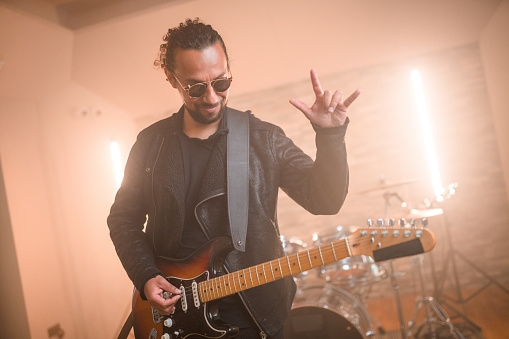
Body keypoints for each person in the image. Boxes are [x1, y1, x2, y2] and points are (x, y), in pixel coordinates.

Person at [107, 18, 360, 339]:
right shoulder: (150, 144)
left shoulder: (263, 138)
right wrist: (146, 275)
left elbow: (324, 200)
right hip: (173, 317)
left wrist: (330, 137)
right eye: (196, 87)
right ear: (172, 79)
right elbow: (123, 219)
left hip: (254, 315)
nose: (212, 97)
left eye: (221, 83)